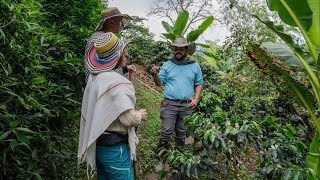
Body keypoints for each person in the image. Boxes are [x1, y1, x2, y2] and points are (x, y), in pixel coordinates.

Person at [78, 32, 147, 180]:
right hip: (115, 150)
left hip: (99, 145)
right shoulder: (117, 83)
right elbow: (128, 119)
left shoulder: (95, 78)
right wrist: (139, 115)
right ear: (120, 56)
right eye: (124, 53)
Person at [152, 37, 203, 170]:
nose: (178, 51)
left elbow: (199, 83)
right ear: (174, 50)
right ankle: (161, 159)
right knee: (166, 132)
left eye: (181, 48)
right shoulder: (167, 64)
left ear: (186, 50)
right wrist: (155, 74)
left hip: (187, 105)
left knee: (182, 133)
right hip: (169, 104)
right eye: (176, 48)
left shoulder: (194, 65)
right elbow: (159, 83)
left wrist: (196, 99)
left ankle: (178, 162)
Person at [84, 7, 136, 82]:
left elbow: (104, 69)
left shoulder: (102, 37)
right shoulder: (99, 40)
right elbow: (101, 75)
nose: (122, 24)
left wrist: (125, 69)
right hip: (99, 88)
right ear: (111, 22)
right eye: (120, 21)